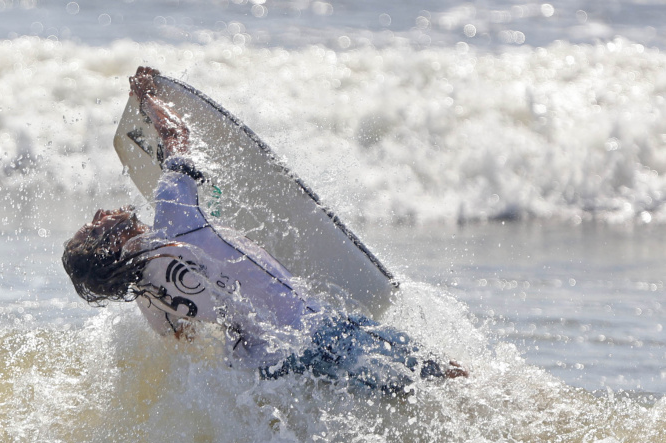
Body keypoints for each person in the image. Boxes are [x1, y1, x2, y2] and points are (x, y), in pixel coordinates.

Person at [62, 67, 464, 394]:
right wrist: (149, 99)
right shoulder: (175, 215)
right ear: (112, 244)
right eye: (94, 225)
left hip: (257, 369)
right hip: (315, 334)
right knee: (443, 375)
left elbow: (183, 340)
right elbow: (176, 136)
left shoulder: (148, 296)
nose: (98, 213)